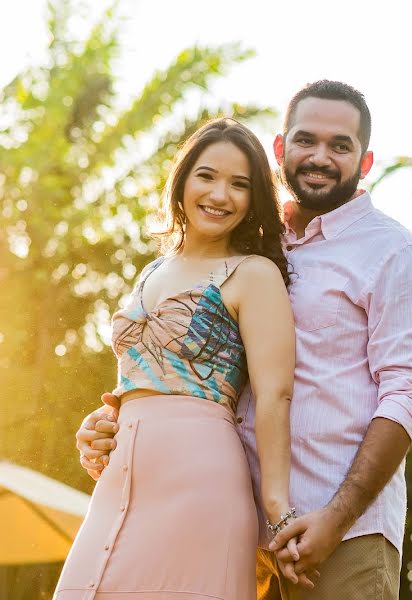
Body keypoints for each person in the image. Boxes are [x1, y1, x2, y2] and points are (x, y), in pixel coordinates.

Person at [78, 81, 412, 599]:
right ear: (280, 149)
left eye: (340, 145)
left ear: (364, 162)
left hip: (339, 535)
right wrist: (116, 421)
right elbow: (198, 367)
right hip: (233, 529)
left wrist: (335, 518)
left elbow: (410, 395)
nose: (320, 157)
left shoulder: (393, 253)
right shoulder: (255, 249)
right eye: (306, 140)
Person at [59, 118, 300, 600]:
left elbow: (275, 393)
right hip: (119, 486)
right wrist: (102, 422)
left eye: (240, 184)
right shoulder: (151, 270)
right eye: (207, 175)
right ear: (183, 180)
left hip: (201, 483)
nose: (220, 194)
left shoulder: (254, 274)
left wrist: (278, 512)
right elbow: (146, 375)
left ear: (255, 201)